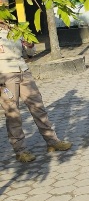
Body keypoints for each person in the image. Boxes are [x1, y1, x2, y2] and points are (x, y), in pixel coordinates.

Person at [0, 24, 72, 163]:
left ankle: (52, 141)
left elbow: (30, 53)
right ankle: (20, 151)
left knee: (38, 107)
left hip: (23, 71)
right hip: (5, 75)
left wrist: (30, 45)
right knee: (13, 113)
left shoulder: (15, 28)